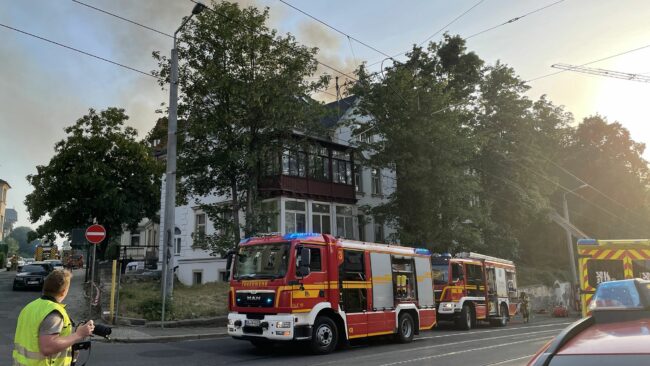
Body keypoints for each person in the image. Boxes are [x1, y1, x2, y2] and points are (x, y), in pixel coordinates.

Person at [13, 269, 94, 366]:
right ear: (64, 291)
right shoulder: (53, 313)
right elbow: (47, 347)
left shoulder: (29, 307)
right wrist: (78, 334)